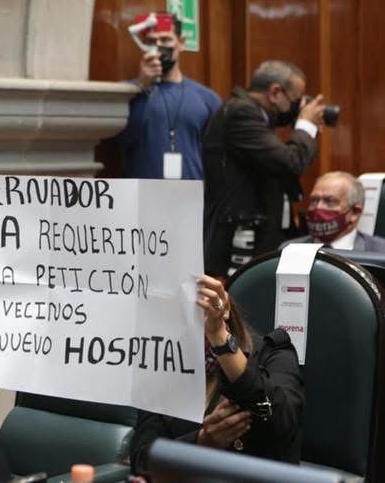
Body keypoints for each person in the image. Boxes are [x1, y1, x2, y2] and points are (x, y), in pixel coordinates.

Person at [130, 276, 305, 478]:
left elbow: (282, 422)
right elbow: (142, 462)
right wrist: (201, 442)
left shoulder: (273, 353)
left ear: (223, 303)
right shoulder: (164, 363)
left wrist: (219, 336)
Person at [203, 60, 327, 277]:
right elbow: (290, 163)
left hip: (258, 233)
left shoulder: (258, 116)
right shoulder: (241, 113)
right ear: (275, 92)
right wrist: (306, 125)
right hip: (241, 237)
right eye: (295, 101)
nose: (297, 108)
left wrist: (307, 131)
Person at [115, 12, 221, 180]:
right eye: (151, 42)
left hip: (191, 191)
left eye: (165, 40)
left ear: (181, 43)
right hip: (142, 192)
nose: (158, 47)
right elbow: (124, 140)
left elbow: (218, 156)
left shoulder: (207, 99)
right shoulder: (126, 93)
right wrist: (141, 87)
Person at [282, 171, 385, 252]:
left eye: (330, 201)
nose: (318, 208)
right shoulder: (288, 250)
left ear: (354, 213)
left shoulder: (380, 252)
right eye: (314, 201)